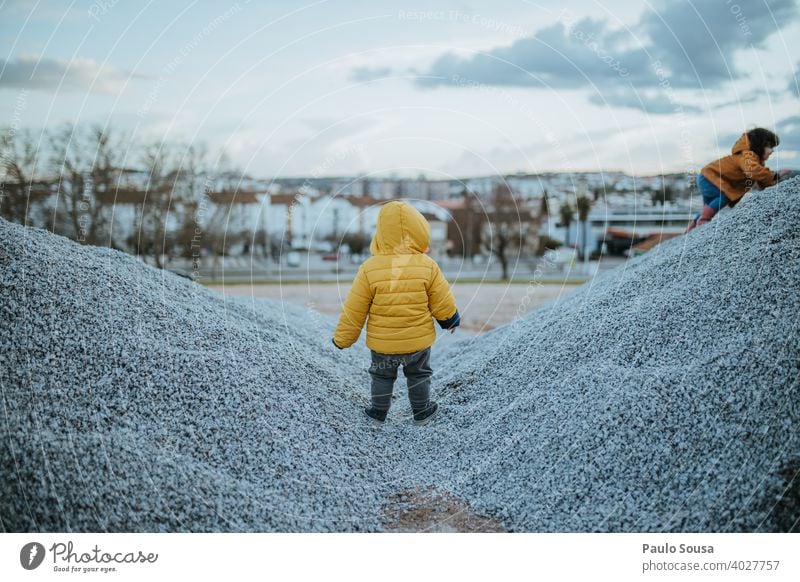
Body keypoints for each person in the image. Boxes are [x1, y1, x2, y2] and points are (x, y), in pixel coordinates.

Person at [332, 201, 460, 426]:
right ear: (420, 231)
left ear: (380, 234)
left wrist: (343, 339)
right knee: (419, 374)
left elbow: (355, 308)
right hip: (417, 342)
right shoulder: (428, 265)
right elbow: (441, 298)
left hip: (384, 344)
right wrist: (449, 320)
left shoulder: (369, 268)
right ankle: (422, 413)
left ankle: (378, 413)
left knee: (381, 376)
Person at [687, 128, 789, 231]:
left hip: (707, 176)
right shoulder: (747, 156)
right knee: (725, 196)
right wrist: (775, 175)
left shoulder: (753, 159)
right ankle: (703, 221)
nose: (772, 151)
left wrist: (775, 180)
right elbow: (753, 171)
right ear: (759, 145)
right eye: (769, 146)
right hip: (710, 177)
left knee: (710, 207)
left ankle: (694, 223)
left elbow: (761, 179)